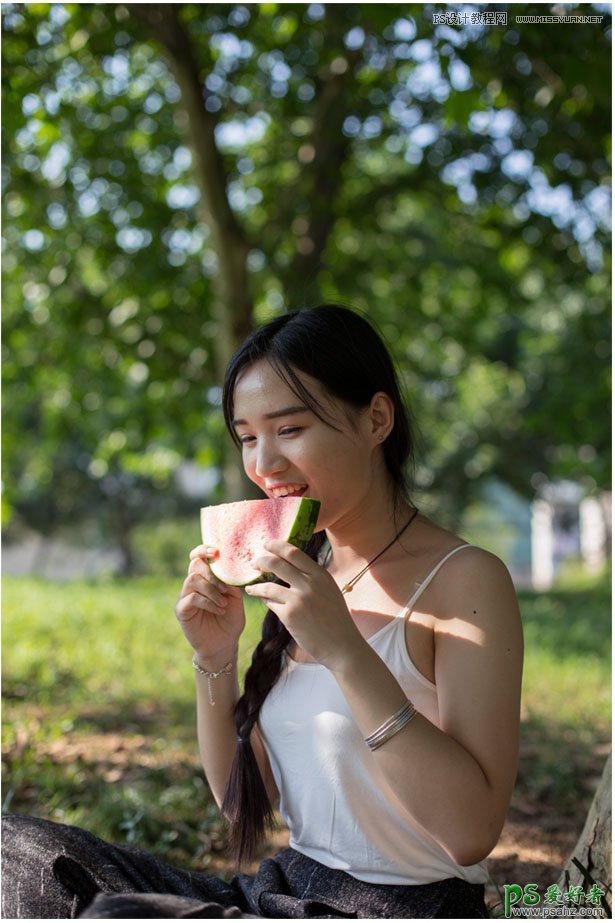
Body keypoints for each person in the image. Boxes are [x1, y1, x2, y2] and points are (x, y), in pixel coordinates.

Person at [2, 304, 523, 919]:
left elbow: (469, 833)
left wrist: (347, 654)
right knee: (16, 849)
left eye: (290, 429)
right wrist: (214, 655)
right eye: (248, 437)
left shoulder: (466, 580)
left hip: (406, 907)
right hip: (281, 894)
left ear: (376, 418)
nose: (264, 465)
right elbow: (245, 802)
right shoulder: (307, 569)